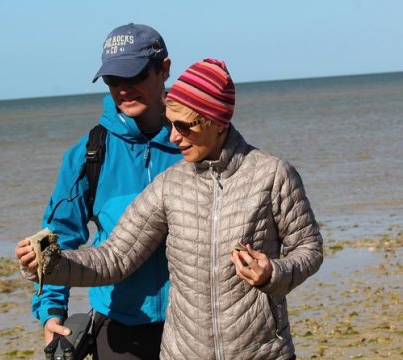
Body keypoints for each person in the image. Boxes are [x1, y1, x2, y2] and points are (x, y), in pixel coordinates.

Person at [19, 58, 324, 359]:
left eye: (184, 126)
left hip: (263, 352)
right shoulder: (169, 185)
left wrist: (274, 271)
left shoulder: (272, 175)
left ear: (217, 122)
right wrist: (49, 264)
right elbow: (114, 258)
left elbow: (309, 249)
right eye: (169, 123)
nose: (174, 136)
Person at [15, 23, 182, 359]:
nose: (124, 89)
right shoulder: (90, 153)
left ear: (164, 69)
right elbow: (56, 238)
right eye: (113, 80)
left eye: (135, 76)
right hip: (120, 331)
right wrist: (51, 313)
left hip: (193, 324)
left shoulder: (191, 143)